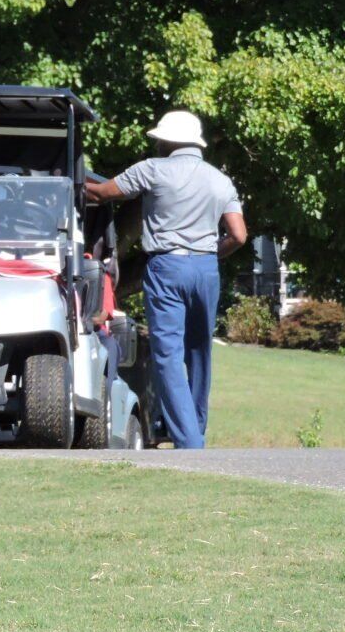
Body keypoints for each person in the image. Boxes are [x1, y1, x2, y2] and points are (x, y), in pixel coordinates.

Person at [84, 109, 248, 449]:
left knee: (168, 354)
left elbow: (100, 194)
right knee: (199, 351)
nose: (156, 143)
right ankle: (195, 430)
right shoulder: (221, 180)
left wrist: (62, 180)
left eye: (160, 139)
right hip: (206, 268)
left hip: (167, 267)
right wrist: (209, 254)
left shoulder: (152, 169)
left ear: (169, 142)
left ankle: (189, 442)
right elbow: (239, 235)